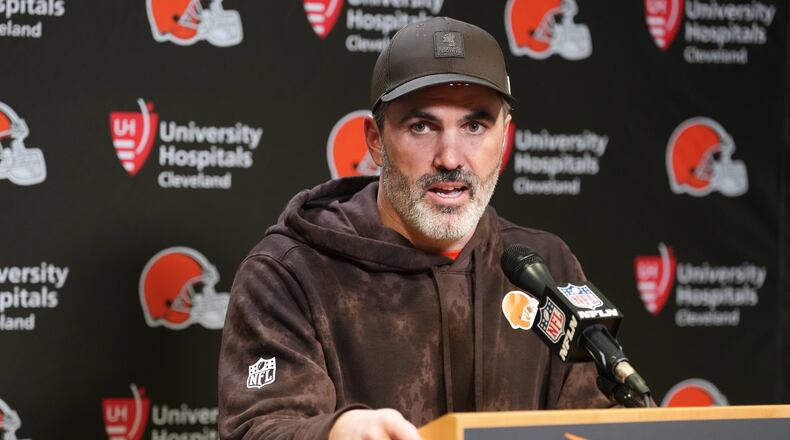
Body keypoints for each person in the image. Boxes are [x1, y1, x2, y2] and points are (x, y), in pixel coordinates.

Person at [218, 17, 613, 440]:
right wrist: (334, 433)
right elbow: (258, 429)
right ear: (375, 140)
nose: (450, 158)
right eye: (421, 126)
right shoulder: (290, 272)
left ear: (504, 138)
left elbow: (596, 421)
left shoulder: (546, 266)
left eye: (474, 126)